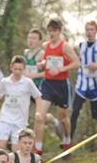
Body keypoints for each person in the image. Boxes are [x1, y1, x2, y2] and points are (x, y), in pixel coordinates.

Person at [34, 18, 80, 153]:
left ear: (59, 31)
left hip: (61, 85)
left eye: (54, 30)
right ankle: (38, 148)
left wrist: (60, 69)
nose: (52, 33)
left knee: (63, 118)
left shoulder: (64, 46)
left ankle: (67, 140)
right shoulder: (45, 46)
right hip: (47, 83)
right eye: (49, 31)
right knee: (39, 116)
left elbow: (77, 63)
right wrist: (42, 64)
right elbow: (46, 60)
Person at [70, 21, 97, 141]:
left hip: (95, 84)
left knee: (94, 113)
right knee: (74, 112)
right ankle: (68, 143)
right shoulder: (81, 45)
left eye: (91, 30)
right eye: (87, 30)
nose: (89, 32)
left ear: (96, 31)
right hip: (82, 83)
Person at [0, 56, 43, 151]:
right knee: (0, 145)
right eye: (15, 69)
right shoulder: (5, 81)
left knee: (16, 149)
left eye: (20, 69)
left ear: (24, 69)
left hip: (20, 120)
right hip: (5, 117)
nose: (17, 72)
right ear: (11, 67)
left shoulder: (28, 82)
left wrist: (38, 112)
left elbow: (38, 97)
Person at [24, 29, 62, 143]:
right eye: (29, 38)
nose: (31, 40)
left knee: (39, 115)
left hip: (39, 88)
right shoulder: (26, 53)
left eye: (34, 38)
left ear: (40, 41)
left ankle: (53, 122)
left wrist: (34, 75)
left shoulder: (41, 54)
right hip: (28, 88)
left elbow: (47, 72)